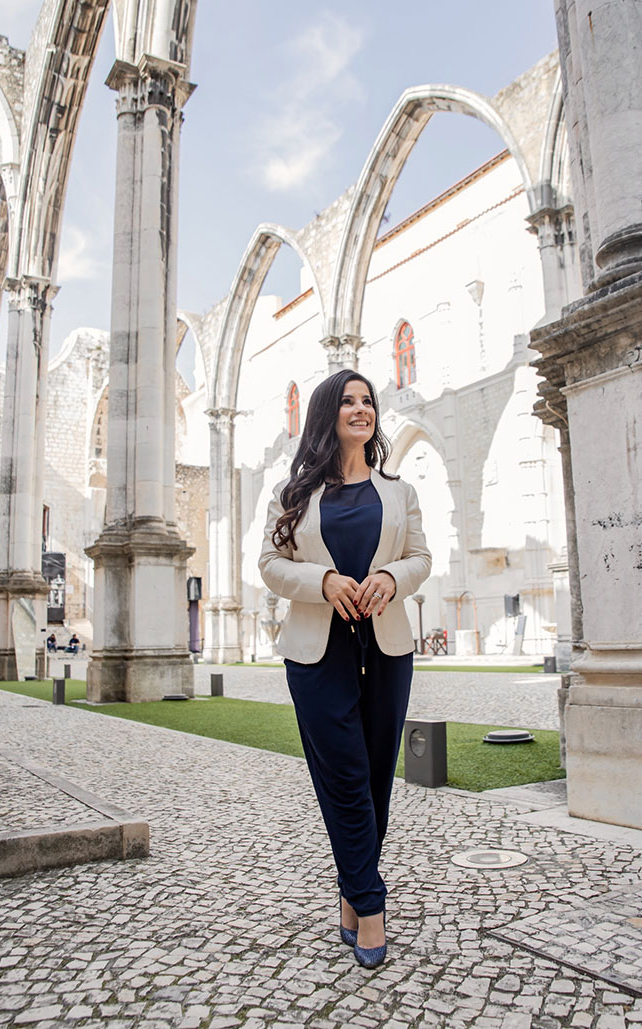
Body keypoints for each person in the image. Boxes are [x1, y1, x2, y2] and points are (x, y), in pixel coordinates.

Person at [259, 369, 431, 968]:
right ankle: (373, 904)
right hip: (317, 652)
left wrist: (391, 577)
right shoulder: (295, 493)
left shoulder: (399, 491)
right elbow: (270, 565)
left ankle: (350, 895)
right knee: (344, 778)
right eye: (349, 401)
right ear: (328, 414)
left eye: (369, 402)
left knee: (377, 776)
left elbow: (421, 557)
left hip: (386, 647)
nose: (362, 409)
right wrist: (324, 582)